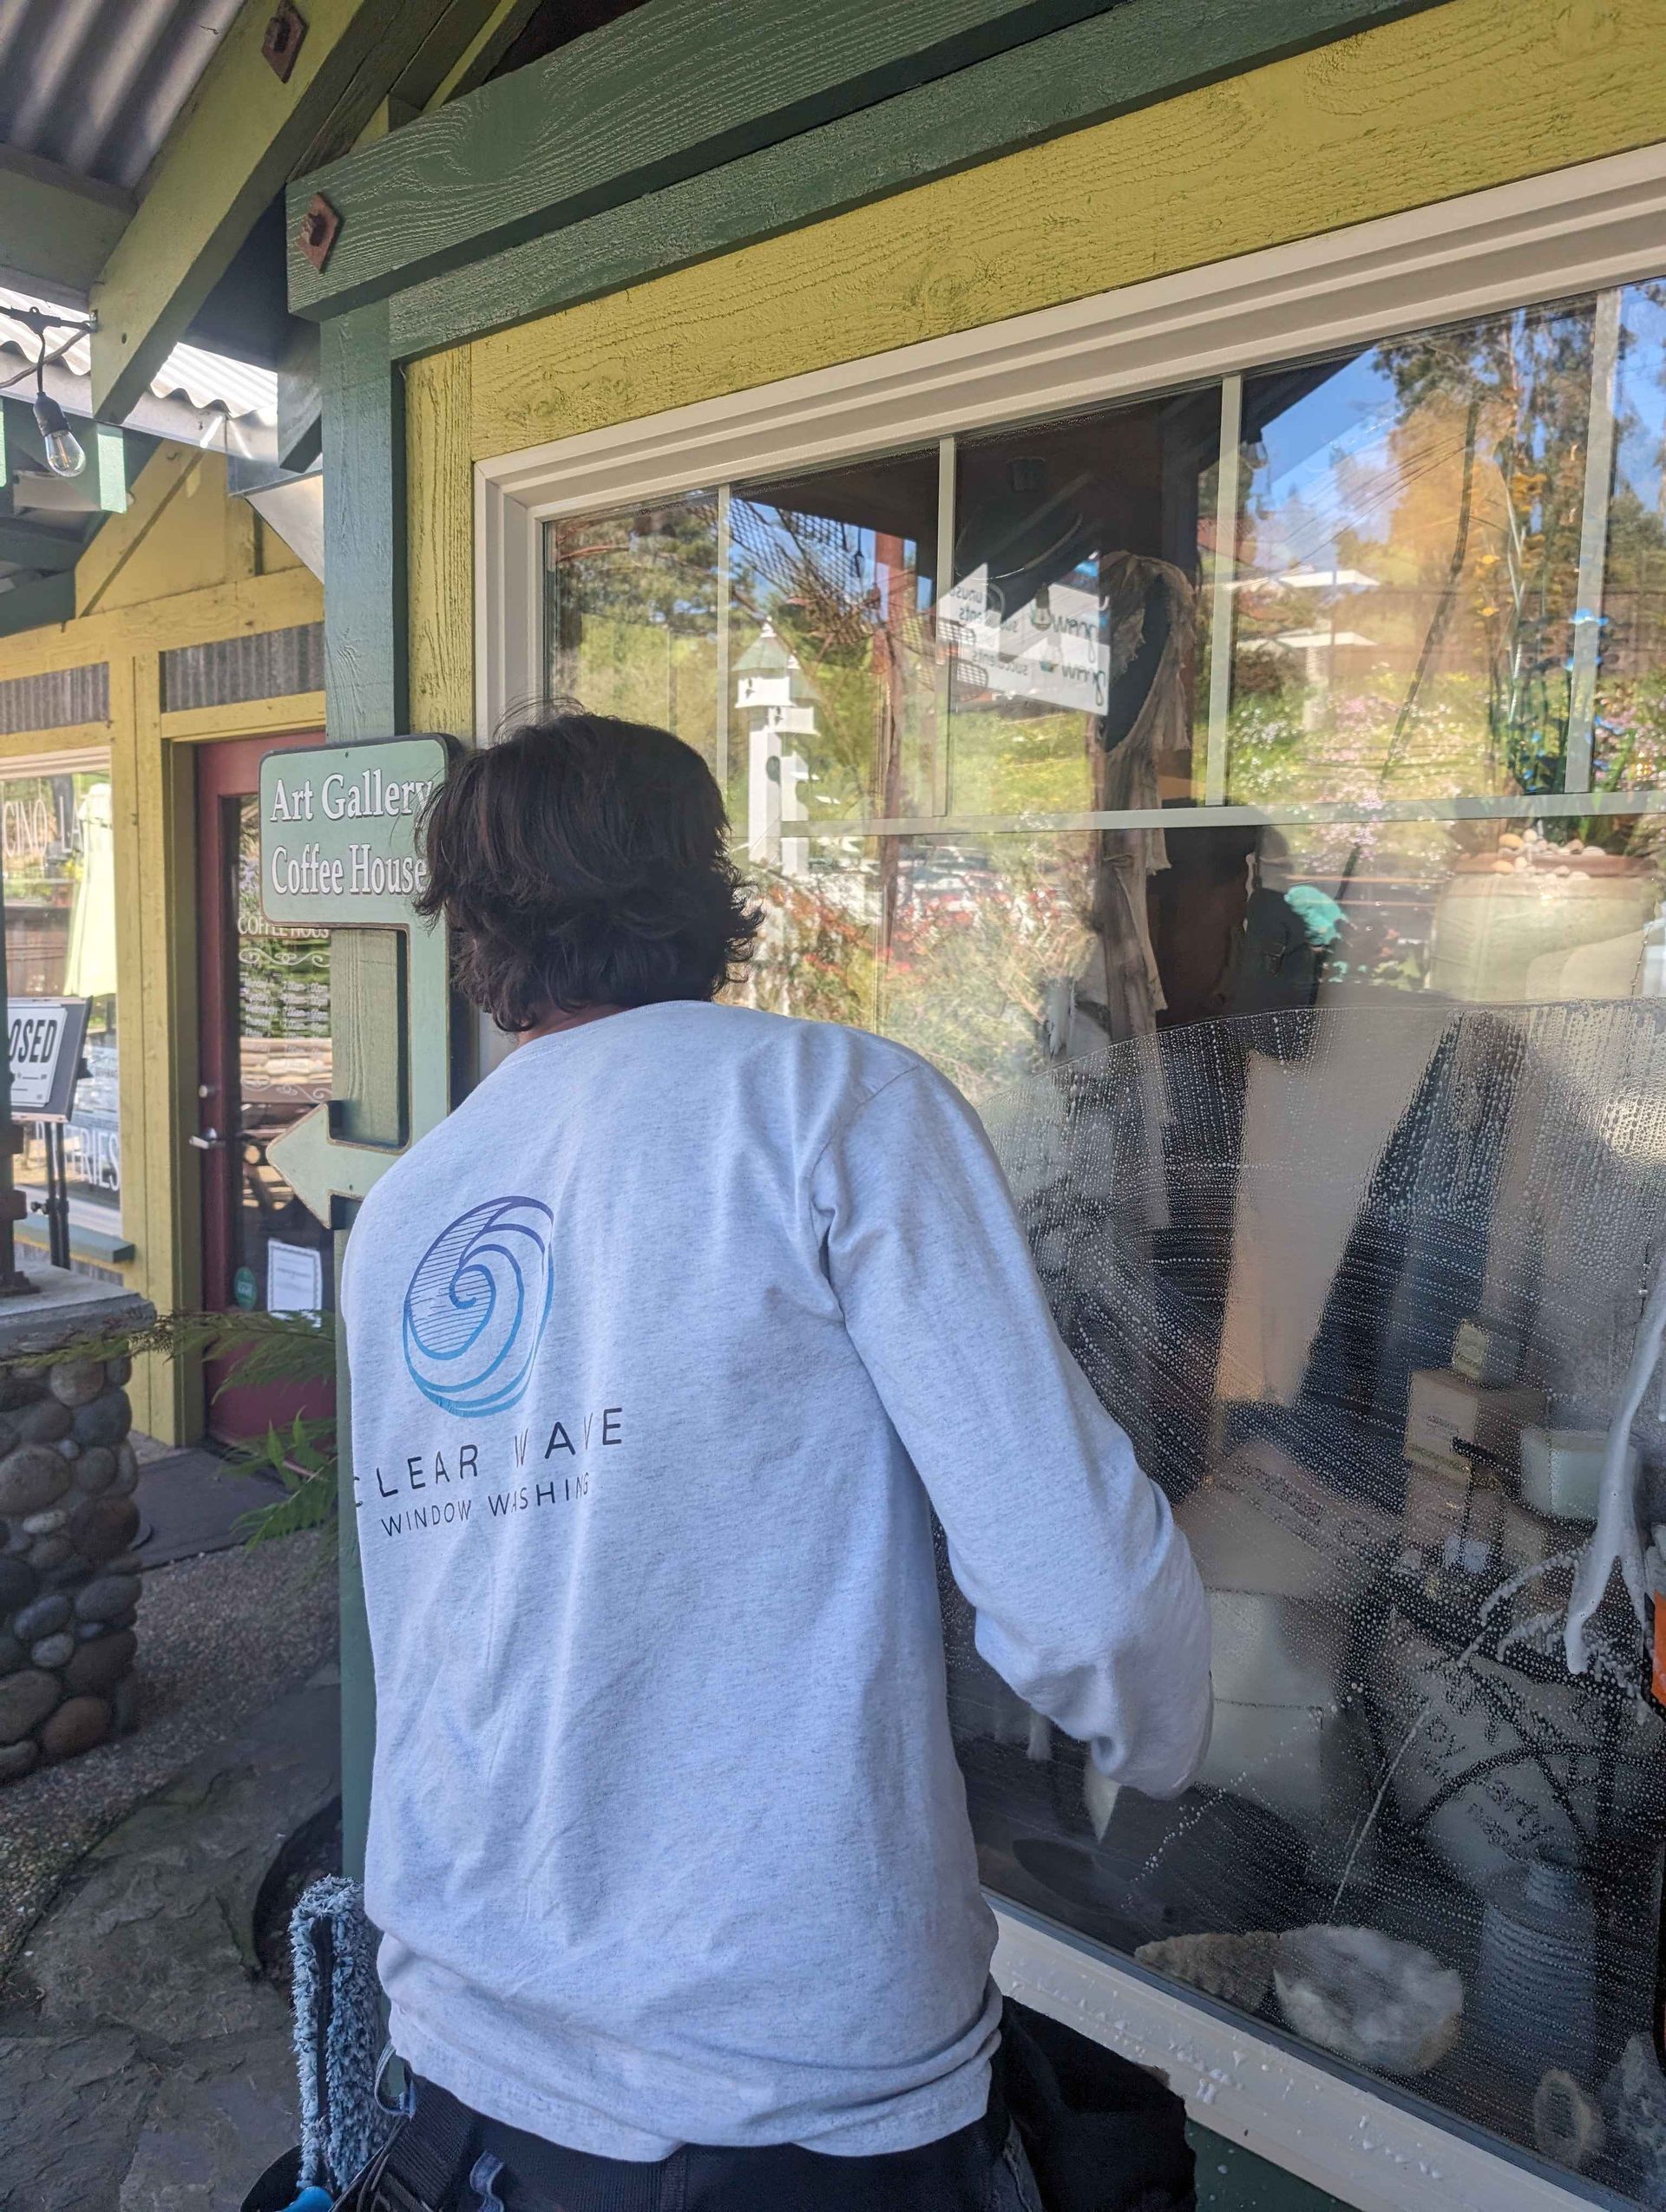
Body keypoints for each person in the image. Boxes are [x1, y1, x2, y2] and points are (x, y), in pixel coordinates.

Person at [340, 710, 1212, 2212]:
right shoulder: (837, 1108)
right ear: (707, 892)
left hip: (466, 2059)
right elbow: (1092, 1602)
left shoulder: (413, 1206)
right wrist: (1168, 1751)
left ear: (476, 934)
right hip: (798, 2076)